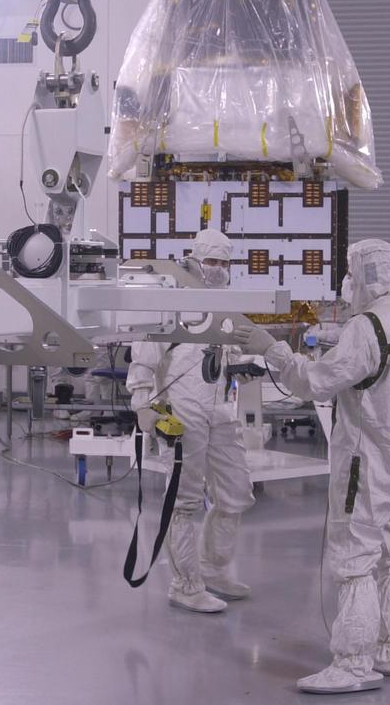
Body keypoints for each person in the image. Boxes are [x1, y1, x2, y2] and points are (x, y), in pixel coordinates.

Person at [236, 239, 390, 694]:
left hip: (368, 459)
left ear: (367, 274)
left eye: (350, 272)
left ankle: (353, 663)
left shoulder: (368, 325)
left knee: (355, 555)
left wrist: (274, 351)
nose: (347, 282)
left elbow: (315, 382)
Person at [126, 229, 255, 614]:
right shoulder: (172, 301)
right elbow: (145, 353)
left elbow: (227, 354)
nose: (217, 269)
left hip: (220, 408)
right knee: (183, 501)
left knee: (236, 493)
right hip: (182, 409)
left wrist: (242, 365)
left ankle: (213, 569)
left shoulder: (224, 304)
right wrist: (141, 402)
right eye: (211, 261)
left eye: (224, 263)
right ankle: (185, 584)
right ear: (194, 260)